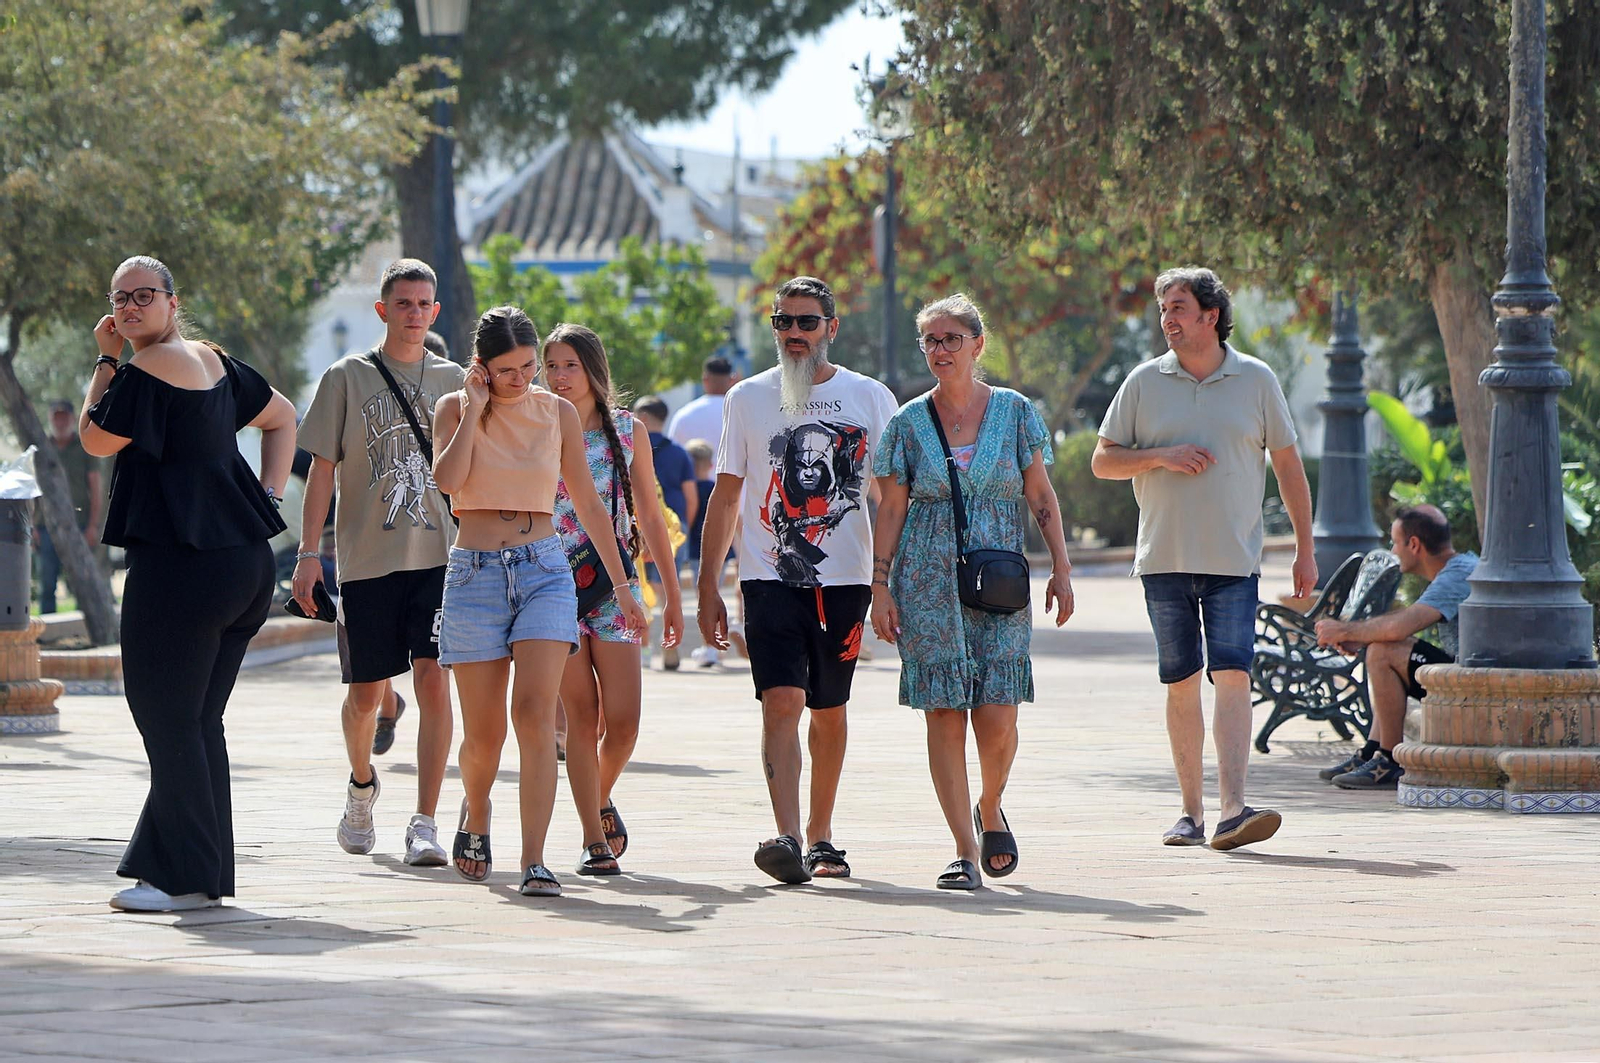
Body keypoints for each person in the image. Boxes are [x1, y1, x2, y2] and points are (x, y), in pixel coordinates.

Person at [81, 255, 296, 912]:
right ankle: (185, 872)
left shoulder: (144, 368)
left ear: (173, 302)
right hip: (244, 563)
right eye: (119, 299)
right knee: (198, 721)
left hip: (184, 567)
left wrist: (105, 357)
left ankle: (184, 880)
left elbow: (93, 438)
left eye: (144, 295)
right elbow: (283, 416)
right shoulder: (216, 361)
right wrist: (264, 495)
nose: (129, 308)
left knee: (168, 718)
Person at [1091, 266, 1316, 851]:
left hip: (1234, 562)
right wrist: (1161, 456)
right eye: (1164, 308)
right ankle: (1189, 813)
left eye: (1179, 307)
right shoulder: (1143, 382)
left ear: (1211, 316)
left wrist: (1305, 551)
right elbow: (1103, 462)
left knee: (1234, 675)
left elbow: (1289, 469)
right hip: (1163, 559)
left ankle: (1233, 809)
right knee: (1182, 682)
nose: (1168, 318)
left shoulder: (1257, 379)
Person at [430, 307, 643, 897]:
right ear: (481, 367)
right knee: (484, 735)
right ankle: (476, 810)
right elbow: (448, 481)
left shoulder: (558, 413)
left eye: (530, 367)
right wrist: (475, 408)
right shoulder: (454, 408)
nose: (523, 380)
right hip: (474, 574)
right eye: (508, 371)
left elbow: (590, 503)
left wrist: (624, 589)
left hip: (546, 570)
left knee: (534, 715)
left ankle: (533, 859)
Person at [870, 294, 1076, 890]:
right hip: (926, 583)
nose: (940, 350)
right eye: (930, 341)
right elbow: (891, 511)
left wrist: (1061, 568)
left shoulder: (1014, 412)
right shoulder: (908, 424)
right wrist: (879, 587)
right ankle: (963, 848)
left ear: (977, 345)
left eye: (951, 338)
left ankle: (990, 805)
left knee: (997, 717)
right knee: (943, 714)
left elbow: (1040, 495)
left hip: (1000, 582)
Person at [698, 276, 896, 884]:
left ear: (831, 329)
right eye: (783, 323)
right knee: (780, 699)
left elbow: (892, 497)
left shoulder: (871, 398)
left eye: (807, 323)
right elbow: (727, 493)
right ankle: (785, 835)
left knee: (829, 707)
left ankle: (821, 836)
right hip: (768, 577)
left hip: (847, 580)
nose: (794, 335)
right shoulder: (747, 399)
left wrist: (893, 580)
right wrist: (708, 584)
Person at [292, 259, 463, 867]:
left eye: (424, 304)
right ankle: (361, 787)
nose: (414, 313)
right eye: (404, 303)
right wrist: (310, 554)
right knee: (366, 695)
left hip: (440, 557)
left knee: (433, 678)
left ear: (435, 312)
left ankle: (425, 820)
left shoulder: (457, 381)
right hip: (365, 558)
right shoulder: (347, 376)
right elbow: (321, 470)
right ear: (382, 309)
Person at [546, 325, 683, 873]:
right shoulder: (533, 425)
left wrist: (672, 595)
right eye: (551, 365)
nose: (559, 376)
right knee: (582, 715)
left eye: (570, 365)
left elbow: (650, 514)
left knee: (622, 722)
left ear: (593, 371)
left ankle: (595, 796)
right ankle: (590, 836)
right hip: (548, 586)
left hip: (614, 587)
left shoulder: (626, 432)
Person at [1313, 505, 1476, 789]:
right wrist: (1359, 635)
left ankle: (1390, 761)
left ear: (1414, 545)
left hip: (1472, 687)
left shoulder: (1456, 576)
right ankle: (1372, 751)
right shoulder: (1455, 571)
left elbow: (1401, 627)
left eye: (1395, 542)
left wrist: (1345, 630)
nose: (1393, 549)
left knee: (1384, 651)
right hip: (1463, 674)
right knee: (1382, 645)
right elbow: (1401, 624)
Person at [633, 395, 697, 669]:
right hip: (673, 526)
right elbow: (690, 495)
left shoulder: (630, 444)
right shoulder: (680, 453)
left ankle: (646, 650)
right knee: (667, 589)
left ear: (643, 418)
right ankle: (671, 642)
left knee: (642, 586)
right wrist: (685, 525)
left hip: (638, 525)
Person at [36, 400, 102, 613]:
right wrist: (31, 525)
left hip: (79, 525)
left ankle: (86, 629)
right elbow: (31, 488)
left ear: (73, 419)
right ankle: (47, 635)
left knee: (82, 581)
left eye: (64, 416)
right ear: (50, 419)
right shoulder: (40, 448)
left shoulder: (84, 448)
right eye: (56, 416)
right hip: (46, 526)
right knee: (47, 583)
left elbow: (95, 489)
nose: (60, 421)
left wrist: (93, 526)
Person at [666, 354, 737, 450]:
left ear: (704, 379)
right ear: (732, 380)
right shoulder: (742, 413)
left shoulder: (685, 414)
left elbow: (673, 453)